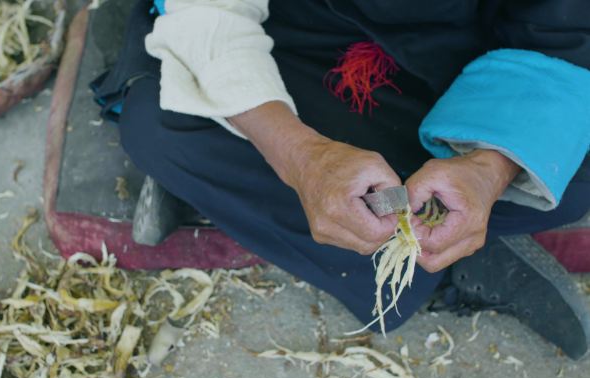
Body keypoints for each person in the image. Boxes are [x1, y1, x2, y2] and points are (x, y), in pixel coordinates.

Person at [92, 0, 590, 359]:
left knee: (569, 170)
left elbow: (562, 40)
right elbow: (212, 15)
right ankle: (443, 268)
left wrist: (488, 168)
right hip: (298, 42)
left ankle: (224, 188)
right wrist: (302, 157)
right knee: (161, 120)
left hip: (468, 60)